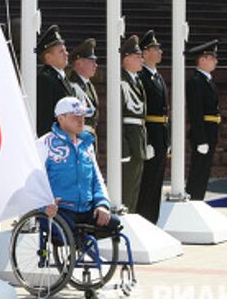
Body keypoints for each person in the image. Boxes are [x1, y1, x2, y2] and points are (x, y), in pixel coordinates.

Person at [39, 97, 119, 237]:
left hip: (87, 209)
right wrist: (43, 205)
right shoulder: (44, 144)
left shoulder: (86, 144)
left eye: (83, 115)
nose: (81, 120)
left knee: (114, 223)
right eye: (75, 116)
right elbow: (34, 181)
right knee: (70, 232)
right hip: (59, 209)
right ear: (61, 118)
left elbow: (96, 178)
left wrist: (102, 204)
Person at [137, 30, 169, 224]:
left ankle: (153, 219)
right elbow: (142, 112)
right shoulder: (141, 78)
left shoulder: (157, 77)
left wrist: (168, 139)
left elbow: (165, 111)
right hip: (150, 133)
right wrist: (146, 141)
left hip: (161, 134)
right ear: (145, 53)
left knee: (157, 181)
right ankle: (145, 218)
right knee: (147, 181)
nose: (160, 52)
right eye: (155, 49)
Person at [185, 39, 221, 201]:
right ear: (202, 59)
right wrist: (200, 139)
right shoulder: (196, 81)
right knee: (198, 169)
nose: (215, 61)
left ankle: (199, 198)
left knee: (205, 170)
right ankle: (194, 198)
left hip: (210, 130)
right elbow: (196, 112)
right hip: (203, 132)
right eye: (212, 57)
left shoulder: (207, 81)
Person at [120, 35, 147, 213]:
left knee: (135, 186)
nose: (141, 60)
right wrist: (123, 148)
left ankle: (131, 215)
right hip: (129, 142)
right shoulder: (122, 82)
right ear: (126, 59)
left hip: (138, 141)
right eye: (137, 57)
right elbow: (120, 118)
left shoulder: (136, 81)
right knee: (127, 187)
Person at [36, 24, 75, 136]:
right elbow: (44, 116)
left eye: (65, 50)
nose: (66, 54)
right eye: (61, 51)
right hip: (55, 141)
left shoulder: (61, 77)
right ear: (48, 57)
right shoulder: (45, 79)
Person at [67, 38, 100, 138]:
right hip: (79, 137)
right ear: (79, 63)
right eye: (91, 61)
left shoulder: (89, 85)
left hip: (89, 137)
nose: (96, 65)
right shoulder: (72, 85)